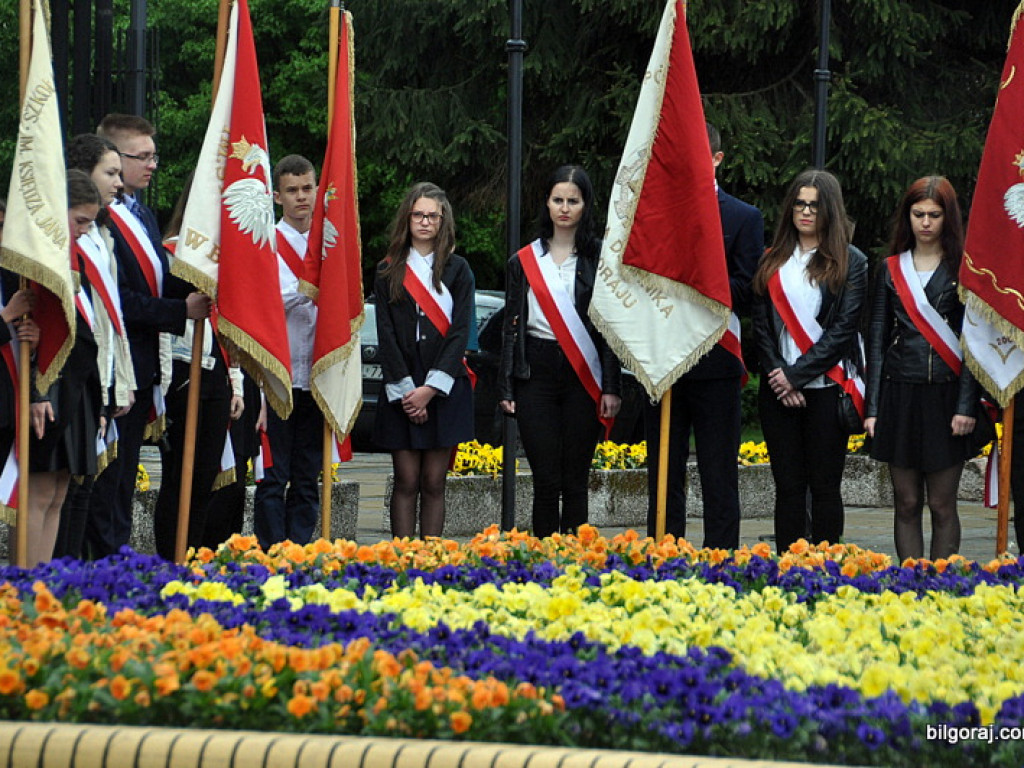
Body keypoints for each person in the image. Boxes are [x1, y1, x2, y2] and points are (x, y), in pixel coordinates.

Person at [88, 114, 211, 558]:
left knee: (124, 478)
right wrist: (181, 310)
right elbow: (117, 299)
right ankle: (102, 567)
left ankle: (118, 564)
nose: (152, 164)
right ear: (113, 156)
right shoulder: (99, 220)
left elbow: (157, 279)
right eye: (141, 156)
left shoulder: (142, 213)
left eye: (153, 155)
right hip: (114, 367)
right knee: (107, 480)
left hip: (145, 369)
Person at [644, 123, 764, 548]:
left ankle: (722, 559)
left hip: (717, 360)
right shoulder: (657, 216)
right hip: (667, 362)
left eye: (702, 159)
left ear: (717, 160)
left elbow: (748, 290)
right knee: (663, 471)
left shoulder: (742, 217)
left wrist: (698, 284)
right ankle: (664, 551)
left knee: (718, 472)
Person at [499, 165, 622, 538]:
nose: (565, 208)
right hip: (536, 371)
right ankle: (542, 560)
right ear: (547, 204)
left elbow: (610, 327)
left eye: (573, 200)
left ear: (585, 206)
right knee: (545, 478)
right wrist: (506, 386)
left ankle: (577, 558)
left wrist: (612, 386)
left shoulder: (601, 260)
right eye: (558, 200)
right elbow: (510, 327)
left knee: (575, 478)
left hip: (583, 373)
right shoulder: (524, 261)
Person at [865, 176, 980, 561]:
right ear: (908, 217)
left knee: (943, 504)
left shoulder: (964, 270)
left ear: (948, 218)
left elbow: (972, 346)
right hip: (899, 394)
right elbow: (877, 341)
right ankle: (910, 584)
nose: (926, 222)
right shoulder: (888, 269)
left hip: (947, 396)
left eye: (934, 214)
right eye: (918, 214)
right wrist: (873, 409)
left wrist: (966, 406)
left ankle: (943, 587)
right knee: (907, 501)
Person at [752, 169, 867, 553]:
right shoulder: (771, 259)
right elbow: (762, 329)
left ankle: (828, 566)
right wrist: (779, 379)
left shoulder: (852, 261)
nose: (805, 212)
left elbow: (843, 331)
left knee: (824, 486)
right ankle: (788, 565)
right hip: (778, 391)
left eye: (814, 206)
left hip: (826, 390)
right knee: (787, 487)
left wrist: (796, 377)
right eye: (799, 204)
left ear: (829, 210)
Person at [373, 181, 474, 538]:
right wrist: (408, 392)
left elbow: (461, 332)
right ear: (408, 218)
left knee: (433, 481)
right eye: (418, 214)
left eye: (432, 215)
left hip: (443, 386)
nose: (425, 222)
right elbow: (385, 335)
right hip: (402, 385)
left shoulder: (458, 270)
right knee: (406, 479)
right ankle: (401, 558)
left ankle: (431, 557)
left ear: (443, 220)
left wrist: (430, 390)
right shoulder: (388, 270)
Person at [55, 134, 137, 559]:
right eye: (110, 172)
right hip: (71, 382)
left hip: (99, 379)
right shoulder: (71, 242)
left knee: (85, 489)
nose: (119, 183)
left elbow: (111, 320)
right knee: (62, 494)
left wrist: (116, 385)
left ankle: (81, 576)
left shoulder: (101, 236)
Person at [153, 173, 243, 559]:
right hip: (179, 371)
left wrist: (236, 381)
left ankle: (195, 557)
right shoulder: (172, 251)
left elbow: (231, 325)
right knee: (179, 476)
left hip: (217, 372)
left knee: (206, 478)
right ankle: (170, 558)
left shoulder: (235, 255)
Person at [21, 171, 105, 566]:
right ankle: (23, 583)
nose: (86, 232)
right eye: (80, 221)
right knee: (37, 493)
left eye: (90, 222)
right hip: (47, 385)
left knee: (58, 492)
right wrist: (36, 393)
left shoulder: (76, 263)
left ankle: (44, 580)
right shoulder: (32, 258)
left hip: (77, 387)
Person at [253, 155, 324, 549]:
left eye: (307, 188)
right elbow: (266, 301)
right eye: (292, 191)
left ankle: (299, 549)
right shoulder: (267, 244)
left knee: (307, 473)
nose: (301, 198)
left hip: (316, 374)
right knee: (272, 474)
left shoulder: (329, 243)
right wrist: (310, 288)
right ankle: (271, 551)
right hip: (275, 376)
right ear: (278, 196)